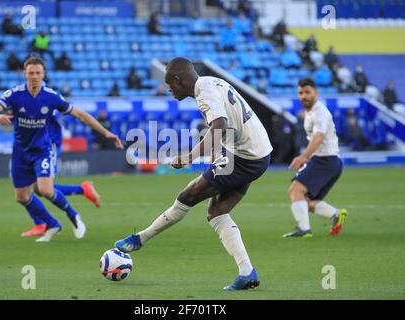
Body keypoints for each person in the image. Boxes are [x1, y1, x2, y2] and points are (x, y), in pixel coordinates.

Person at [115, 57, 273, 290]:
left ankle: (141, 238)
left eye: (170, 87)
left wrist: (202, 157)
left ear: (179, 80)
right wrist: (203, 156)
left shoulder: (204, 95)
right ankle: (247, 272)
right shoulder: (211, 82)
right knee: (217, 211)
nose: (171, 92)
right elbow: (221, 124)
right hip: (256, 152)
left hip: (244, 157)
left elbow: (218, 124)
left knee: (188, 195)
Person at [0, 56, 123, 242]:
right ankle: (52, 224)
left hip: (43, 149)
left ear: (44, 74)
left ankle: (73, 215)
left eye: (38, 73)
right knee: (22, 197)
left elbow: (79, 114)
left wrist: (106, 133)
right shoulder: (14, 95)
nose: (34, 77)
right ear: (24, 74)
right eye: (30, 73)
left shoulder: (51, 96)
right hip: (20, 153)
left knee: (45, 189)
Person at [22, 109, 103, 237]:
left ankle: (45, 222)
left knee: (41, 187)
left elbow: (69, 114)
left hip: (48, 145)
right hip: (35, 144)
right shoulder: (31, 96)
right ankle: (82, 189)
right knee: (36, 187)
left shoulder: (47, 98)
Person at [284, 78, 347, 238]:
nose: (304, 96)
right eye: (300, 93)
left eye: (307, 92)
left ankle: (304, 230)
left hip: (325, 160)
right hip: (325, 161)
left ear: (316, 93)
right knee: (304, 201)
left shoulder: (320, 113)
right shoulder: (310, 112)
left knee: (295, 189)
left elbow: (318, 136)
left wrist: (304, 156)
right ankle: (335, 214)